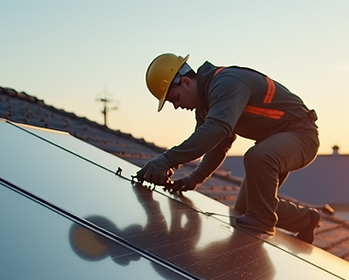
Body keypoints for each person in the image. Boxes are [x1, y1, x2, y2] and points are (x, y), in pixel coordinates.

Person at [136, 53, 322, 243]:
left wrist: (167, 160)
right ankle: (306, 220)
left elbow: (216, 130)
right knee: (246, 208)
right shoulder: (205, 105)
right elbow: (217, 144)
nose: (176, 106)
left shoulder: (227, 83)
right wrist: (195, 178)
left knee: (257, 158)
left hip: (302, 137)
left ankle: (263, 221)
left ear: (186, 82)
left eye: (175, 98)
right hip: (275, 144)